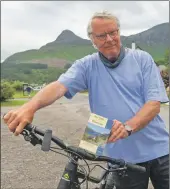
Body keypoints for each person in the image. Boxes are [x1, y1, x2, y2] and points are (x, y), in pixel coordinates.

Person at [3, 11, 169, 189]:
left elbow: (154, 105)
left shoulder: (142, 59)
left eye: (113, 32)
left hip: (160, 151)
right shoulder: (86, 65)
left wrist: (127, 127)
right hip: (120, 160)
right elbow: (59, 86)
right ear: (93, 40)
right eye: (102, 35)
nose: (110, 39)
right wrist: (30, 107)